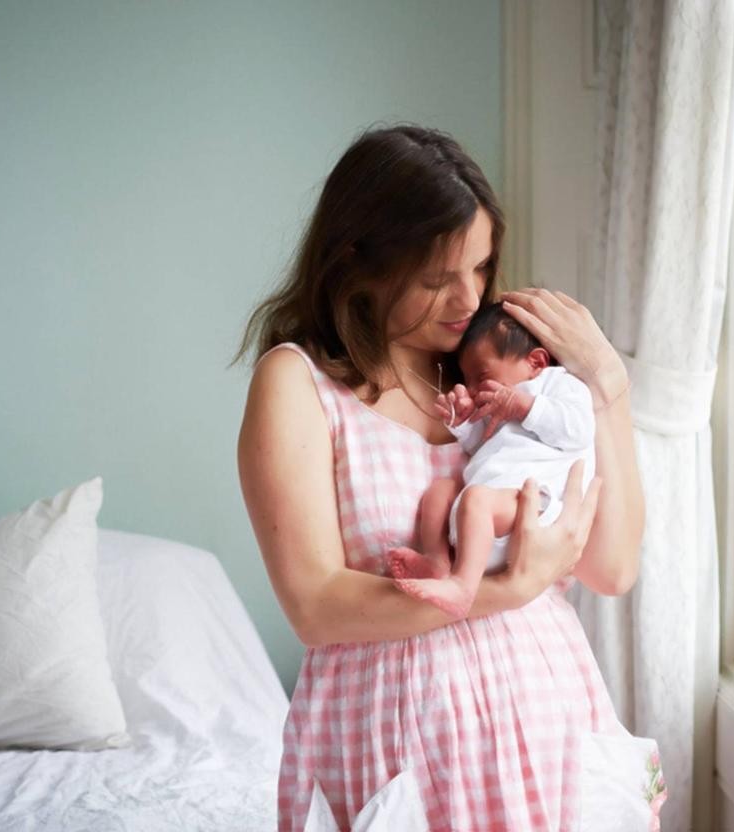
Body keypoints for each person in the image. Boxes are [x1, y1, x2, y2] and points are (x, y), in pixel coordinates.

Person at [235, 124, 665, 831]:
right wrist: (505, 591)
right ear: (357, 262)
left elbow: (612, 568)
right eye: (438, 279)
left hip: (547, 729)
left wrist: (607, 386)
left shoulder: (499, 366)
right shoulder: (299, 383)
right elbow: (315, 607)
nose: (469, 299)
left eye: (482, 267)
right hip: (397, 748)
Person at [387, 301, 600, 620]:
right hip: (486, 512)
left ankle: (463, 587)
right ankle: (437, 562)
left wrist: (525, 406)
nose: (473, 389)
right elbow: (485, 449)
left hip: (532, 510)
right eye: (468, 380)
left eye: (481, 376)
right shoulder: (500, 408)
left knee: (476, 498)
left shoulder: (558, 385)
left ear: (536, 362)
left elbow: (579, 430)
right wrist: (462, 422)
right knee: (441, 490)